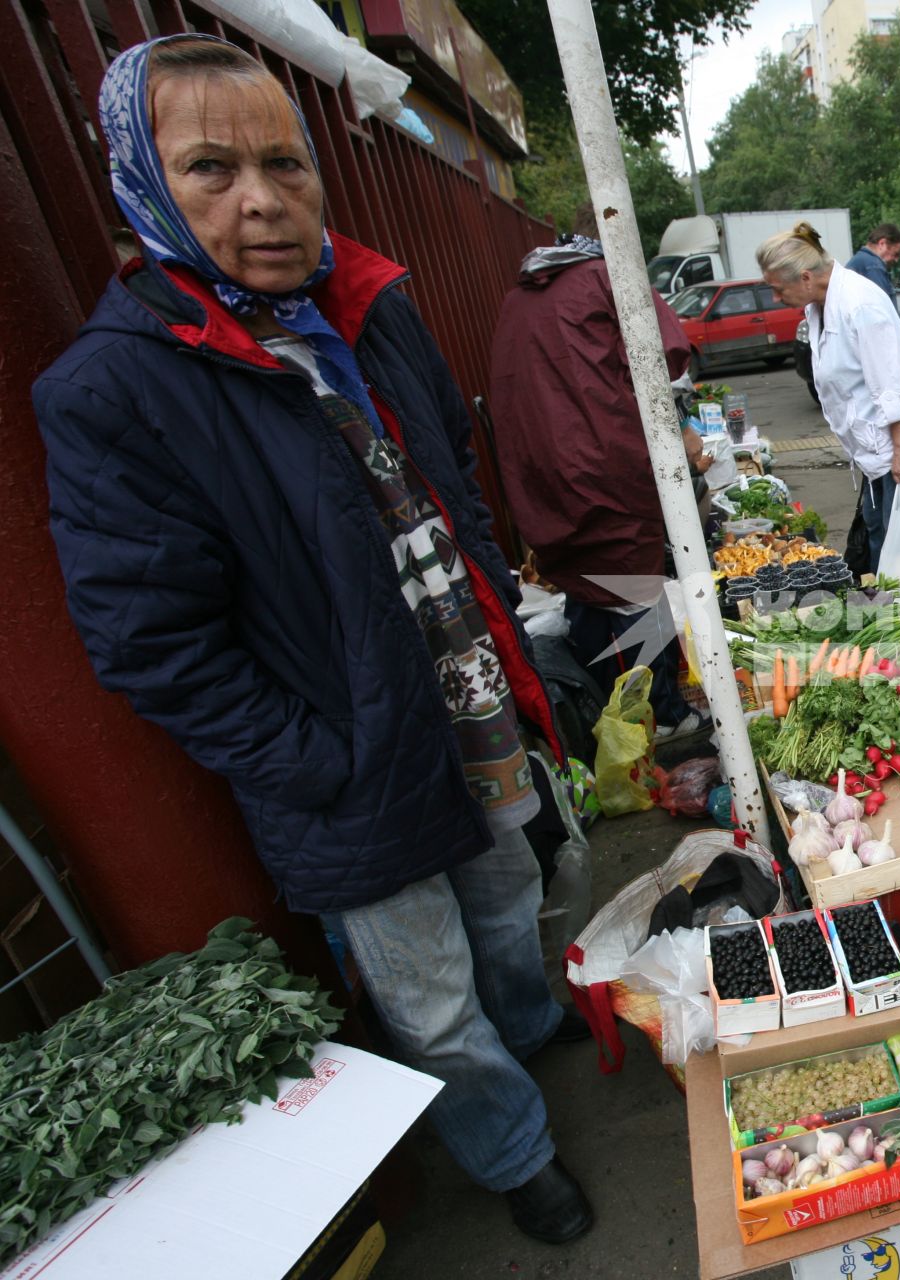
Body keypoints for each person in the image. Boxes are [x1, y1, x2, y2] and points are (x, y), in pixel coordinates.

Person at [33, 36, 593, 1245]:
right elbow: (152, 645)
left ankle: (537, 1032)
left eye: (287, 164)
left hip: (473, 704)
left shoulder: (370, 306)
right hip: (345, 767)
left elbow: (458, 477)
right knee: (427, 996)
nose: (265, 201)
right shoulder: (113, 391)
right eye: (212, 170)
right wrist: (322, 759)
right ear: (142, 183)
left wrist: (497, 618)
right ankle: (514, 1151)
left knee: (510, 899)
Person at [490, 202, 712, 738]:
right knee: (636, 583)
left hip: (540, 470)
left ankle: (600, 712)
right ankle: (663, 715)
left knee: (586, 584)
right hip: (603, 461)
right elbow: (662, 366)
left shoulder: (522, 295)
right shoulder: (612, 280)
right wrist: (683, 432)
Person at [759, 223, 900, 556]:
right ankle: (889, 598)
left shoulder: (860, 304)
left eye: (777, 289)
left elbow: (889, 384)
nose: (775, 298)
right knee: (878, 529)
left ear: (805, 277)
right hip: (874, 442)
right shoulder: (820, 305)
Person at [846, 222, 900, 300]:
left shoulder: (859, 261)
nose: (896, 260)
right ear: (882, 244)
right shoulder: (873, 267)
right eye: (895, 254)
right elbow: (882, 306)